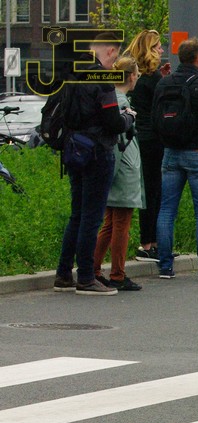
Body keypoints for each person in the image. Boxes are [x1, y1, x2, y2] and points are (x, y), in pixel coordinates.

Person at [52, 31, 132, 296]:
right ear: (110, 50)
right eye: (116, 54)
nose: (115, 60)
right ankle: (86, 276)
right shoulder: (103, 80)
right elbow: (113, 122)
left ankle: (64, 273)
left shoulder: (72, 76)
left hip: (74, 150)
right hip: (98, 152)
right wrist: (128, 118)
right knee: (92, 216)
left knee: (77, 214)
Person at [154, 38, 198, 282]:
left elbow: (154, 118)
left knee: (166, 210)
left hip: (171, 152)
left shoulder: (164, 83)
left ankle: (165, 266)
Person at [91, 55, 144, 293]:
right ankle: (117, 273)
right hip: (124, 167)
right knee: (122, 223)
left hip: (112, 167)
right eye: (137, 75)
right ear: (131, 76)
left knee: (109, 223)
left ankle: (93, 268)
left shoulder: (110, 98)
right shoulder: (123, 104)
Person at [124, 29, 167, 264]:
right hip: (153, 140)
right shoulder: (154, 78)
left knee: (147, 191)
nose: (162, 50)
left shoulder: (136, 77)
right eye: (158, 46)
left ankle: (150, 242)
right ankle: (150, 244)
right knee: (154, 191)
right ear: (150, 50)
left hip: (139, 137)